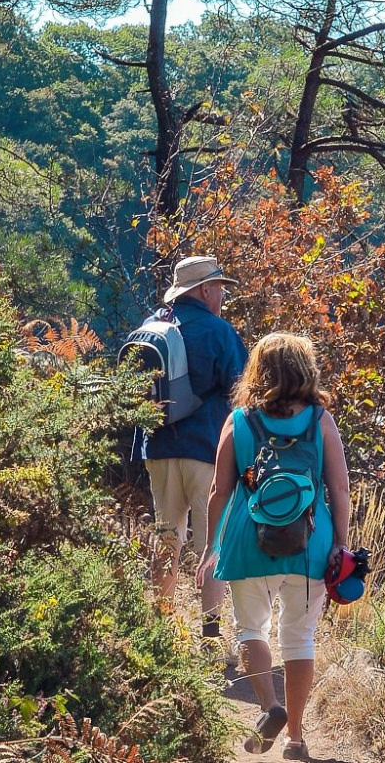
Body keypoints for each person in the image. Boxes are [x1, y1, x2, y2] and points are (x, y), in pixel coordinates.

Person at [201, 333, 350, 761]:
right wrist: (340, 543)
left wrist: (212, 546)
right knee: (299, 638)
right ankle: (296, 740)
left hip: (249, 540)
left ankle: (270, 707)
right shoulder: (320, 420)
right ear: (306, 370)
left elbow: (218, 491)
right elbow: (339, 487)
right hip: (311, 543)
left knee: (251, 631)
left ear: (257, 371)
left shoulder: (239, 420)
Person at [143, 255, 247, 637]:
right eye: (220, 287)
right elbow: (243, 392)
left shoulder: (153, 327)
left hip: (158, 448)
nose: (222, 295)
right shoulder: (219, 332)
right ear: (204, 290)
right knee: (211, 544)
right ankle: (210, 633)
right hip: (208, 452)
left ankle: (157, 631)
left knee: (166, 539)